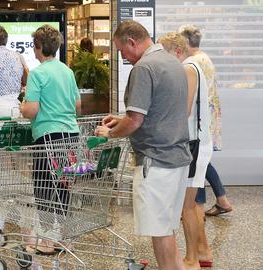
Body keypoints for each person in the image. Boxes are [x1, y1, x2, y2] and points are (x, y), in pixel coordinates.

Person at [95, 20, 191, 270]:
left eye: (121, 50)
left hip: (155, 161)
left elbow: (136, 120)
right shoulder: (173, 62)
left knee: (159, 232)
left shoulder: (144, 68)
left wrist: (109, 133)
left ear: (132, 42)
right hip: (178, 158)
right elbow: (159, 111)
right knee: (168, 228)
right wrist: (120, 120)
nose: (123, 57)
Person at [19, 25, 80, 254]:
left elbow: (32, 110)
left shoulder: (38, 73)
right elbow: (77, 105)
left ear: (39, 47)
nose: (33, 51)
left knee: (43, 186)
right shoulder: (67, 71)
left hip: (47, 136)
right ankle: (66, 237)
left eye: (34, 46)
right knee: (64, 185)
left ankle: (45, 240)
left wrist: (23, 107)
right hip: (70, 135)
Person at [159, 32, 214, 269]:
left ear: (177, 51)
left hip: (194, 143)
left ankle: (191, 258)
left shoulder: (188, 69)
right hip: (196, 142)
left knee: (187, 206)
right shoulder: (190, 66)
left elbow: (185, 107)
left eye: (165, 54)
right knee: (192, 204)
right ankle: (202, 251)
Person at [178, 25, 233, 218]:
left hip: (199, 119)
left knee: (198, 161)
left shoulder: (194, 62)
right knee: (202, 160)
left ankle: (197, 205)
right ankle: (220, 199)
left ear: (185, 42)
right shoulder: (204, 58)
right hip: (206, 116)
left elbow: (191, 96)